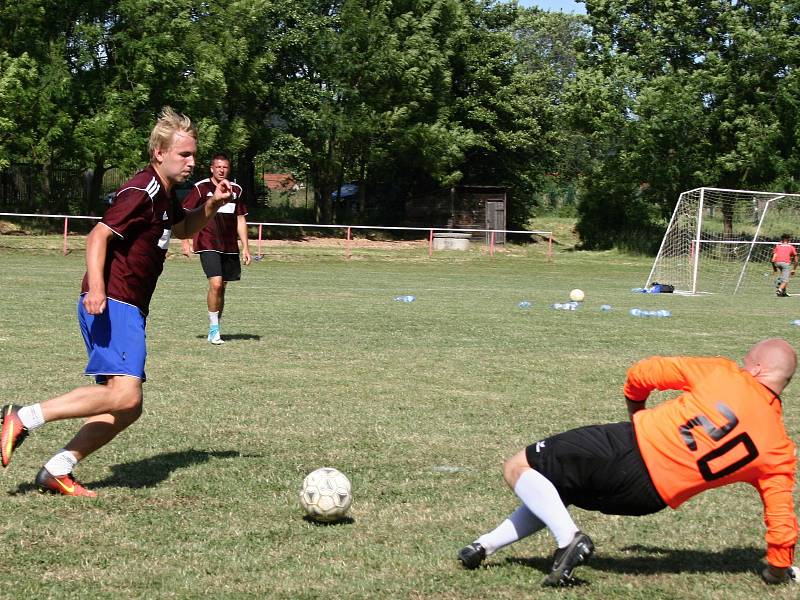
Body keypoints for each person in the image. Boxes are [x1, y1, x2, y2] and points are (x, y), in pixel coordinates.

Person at [0, 107, 232, 497]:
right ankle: (21, 417)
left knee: (127, 406)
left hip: (129, 306)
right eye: (184, 155)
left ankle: (58, 468)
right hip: (114, 301)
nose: (193, 162)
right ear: (159, 152)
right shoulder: (142, 189)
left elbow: (183, 228)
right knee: (125, 395)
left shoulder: (165, 194)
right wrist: (96, 287)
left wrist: (209, 205)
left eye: (194, 155)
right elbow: (97, 236)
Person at [458, 339, 798, 587]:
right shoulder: (779, 449)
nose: (741, 363)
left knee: (519, 466)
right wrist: (777, 570)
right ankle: (484, 545)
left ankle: (569, 540)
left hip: (627, 448)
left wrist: (637, 411)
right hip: (646, 499)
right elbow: (781, 519)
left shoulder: (727, 375)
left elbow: (644, 372)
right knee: (557, 488)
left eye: (746, 360)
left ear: (756, 368)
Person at [182, 153, 251, 345]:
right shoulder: (201, 188)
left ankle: (215, 326)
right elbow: (186, 213)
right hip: (207, 242)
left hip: (229, 245)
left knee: (222, 289)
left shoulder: (236, 190)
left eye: (225, 167)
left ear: (229, 169)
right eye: (218, 167)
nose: (221, 170)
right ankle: (214, 330)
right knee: (216, 284)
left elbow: (240, 219)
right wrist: (185, 240)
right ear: (212, 169)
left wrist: (245, 246)